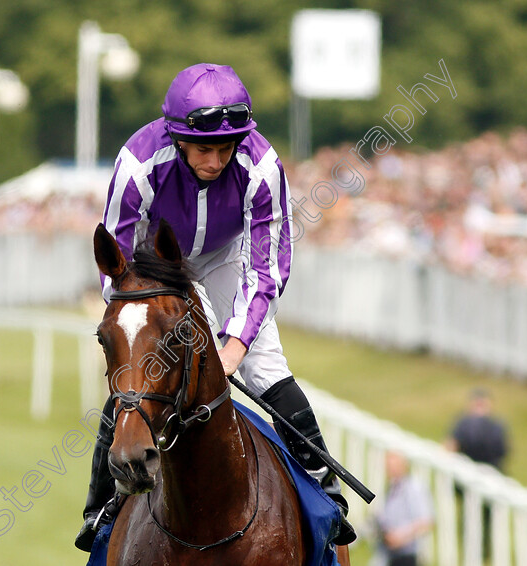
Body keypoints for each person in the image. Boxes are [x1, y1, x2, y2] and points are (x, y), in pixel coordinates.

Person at [75, 63, 355, 551]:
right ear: (177, 138)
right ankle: (101, 505)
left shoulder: (262, 165)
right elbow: (115, 260)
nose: (216, 159)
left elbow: (268, 267)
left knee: (267, 368)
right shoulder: (139, 163)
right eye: (204, 148)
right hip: (158, 264)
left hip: (230, 258)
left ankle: (324, 488)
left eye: (226, 148)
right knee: (141, 374)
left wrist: (235, 345)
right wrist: (138, 323)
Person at [444, 387, 509, 557]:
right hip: (477, 478)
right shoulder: (488, 425)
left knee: (481, 515)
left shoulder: (472, 424)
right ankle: (477, 548)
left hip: (483, 477)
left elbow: (450, 446)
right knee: (474, 514)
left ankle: (480, 549)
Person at [371, 451, 434, 566]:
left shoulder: (414, 488)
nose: (390, 470)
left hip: (406, 555)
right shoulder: (391, 490)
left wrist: (400, 537)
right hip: (387, 553)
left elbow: (426, 521)